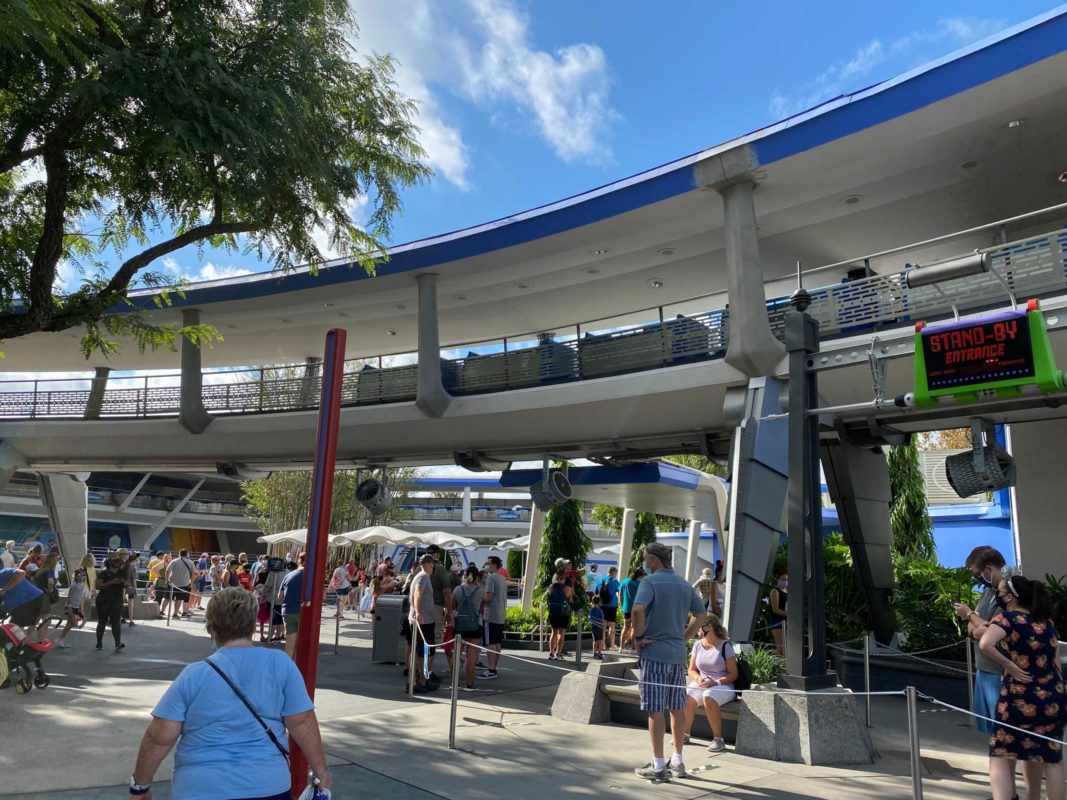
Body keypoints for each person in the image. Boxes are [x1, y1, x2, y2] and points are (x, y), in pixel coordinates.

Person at [128, 587, 332, 800]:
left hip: (199, 787)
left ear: (212, 630)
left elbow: (159, 737)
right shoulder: (280, 664)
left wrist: (140, 786)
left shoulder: (193, 675)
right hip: (266, 784)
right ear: (253, 626)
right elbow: (302, 722)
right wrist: (322, 774)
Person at [979, 574, 1066, 800]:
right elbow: (1055, 663)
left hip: (1019, 696)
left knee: (1000, 753)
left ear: (1010, 597)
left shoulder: (1006, 619)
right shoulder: (1047, 623)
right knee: (1052, 758)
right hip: (1053, 697)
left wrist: (1010, 665)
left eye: (1000, 592)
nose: (998, 595)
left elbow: (985, 644)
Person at [631, 541, 706, 781]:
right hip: (677, 655)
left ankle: (658, 765)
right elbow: (702, 614)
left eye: (645, 558)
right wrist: (684, 636)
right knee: (676, 708)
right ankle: (678, 761)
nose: (644, 563)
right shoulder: (684, 584)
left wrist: (639, 637)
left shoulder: (650, 582)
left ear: (653, 559)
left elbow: (637, 610)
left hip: (654, 653)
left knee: (655, 710)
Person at [683, 614, 738, 753]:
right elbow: (691, 670)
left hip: (723, 685)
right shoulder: (697, 645)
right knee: (687, 696)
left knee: (708, 695)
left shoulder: (726, 645)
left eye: (699, 626)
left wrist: (715, 682)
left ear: (709, 627)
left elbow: (733, 674)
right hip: (703, 683)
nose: (696, 629)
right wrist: (698, 679)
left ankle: (718, 740)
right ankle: (684, 734)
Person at [450, 564, 486, 692]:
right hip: (475, 625)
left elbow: (452, 607)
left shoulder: (458, 589)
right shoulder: (480, 591)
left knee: (456, 653)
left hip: (460, 624)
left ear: (465, 576)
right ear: (477, 577)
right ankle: (469, 684)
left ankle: (454, 683)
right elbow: (484, 603)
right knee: (472, 655)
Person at [406, 554, 438, 694]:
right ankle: (419, 682)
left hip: (422, 619)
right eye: (433, 563)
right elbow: (418, 593)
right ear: (430, 564)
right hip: (423, 621)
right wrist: (419, 612)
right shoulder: (424, 576)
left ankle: (420, 681)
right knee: (424, 653)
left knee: (420, 652)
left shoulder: (420, 576)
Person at [479, 555, 507, 680]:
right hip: (500, 614)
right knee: (496, 643)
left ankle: (491, 670)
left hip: (490, 615)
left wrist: (479, 597)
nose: (486, 566)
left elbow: (488, 597)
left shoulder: (491, 578)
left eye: (488, 563)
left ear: (494, 565)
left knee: (490, 643)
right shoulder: (502, 578)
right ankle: (493, 668)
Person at [426, 545, 453, 676]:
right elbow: (447, 592)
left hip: (419, 608)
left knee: (419, 641)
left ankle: (415, 670)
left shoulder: (418, 568)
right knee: (433, 642)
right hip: (435, 608)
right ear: (438, 554)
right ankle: (427, 673)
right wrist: (449, 610)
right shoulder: (440, 569)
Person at [0, 565, 45, 637]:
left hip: (30, 599)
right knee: (14, 628)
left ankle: (24, 643)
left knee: (15, 628)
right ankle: (25, 641)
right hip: (19, 603)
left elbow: (21, 573)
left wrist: (5, 589)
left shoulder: (3, 572)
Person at [96, 552, 128, 650]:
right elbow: (97, 586)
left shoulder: (121, 573)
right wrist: (111, 582)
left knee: (116, 622)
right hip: (104, 600)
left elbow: (127, 584)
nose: (118, 562)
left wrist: (124, 583)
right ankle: (99, 643)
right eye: (115, 561)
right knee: (102, 621)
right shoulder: (104, 573)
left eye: (118, 560)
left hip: (117, 600)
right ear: (110, 562)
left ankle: (118, 643)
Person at [280, 554, 305, 659]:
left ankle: (286, 666)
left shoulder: (288, 575)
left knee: (290, 643)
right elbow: (323, 596)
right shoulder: (311, 577)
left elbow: (280, 596)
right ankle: (297, 667)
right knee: (302, 644)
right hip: (304, 612)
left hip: (288, 611)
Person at [546, 565, 573, 661]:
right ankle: (558, 653)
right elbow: (569, 598)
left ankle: (551, 652)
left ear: (556, 577)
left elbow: (549, 596)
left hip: (553, 613)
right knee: (561, 633)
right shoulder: (567, 588)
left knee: (553, 632)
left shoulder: (551, 587)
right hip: (563, 613)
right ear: (565, 577)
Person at [56, 567, 89, 647]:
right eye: (80, 575)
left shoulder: (82, 585)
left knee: (69, 625)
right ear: (76, 576)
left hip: (75, 606)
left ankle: (61, 640)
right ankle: (61, 640)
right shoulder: (74, 585)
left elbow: (79, 597)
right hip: (71, 606)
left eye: (83, 575)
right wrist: (69, 606)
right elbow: (69, 596)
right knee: (73, 623)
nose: (82, 576)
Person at [595, 566, 621, 649]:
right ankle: (612, 645)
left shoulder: (600, 580)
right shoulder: (614, 581)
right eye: (616, 573)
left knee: (603, 625)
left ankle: (603, 644)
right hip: (612, 605)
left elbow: (596, 592)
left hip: (602, 605)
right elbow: (620, 590)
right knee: (612, 625)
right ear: (613, 572)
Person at [619, 567, 645, 652]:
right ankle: (632, 648)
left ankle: (621, 647)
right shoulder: (639, 583)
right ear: (639, 576)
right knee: (634, 628)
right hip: (636, 608)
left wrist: (622, 605)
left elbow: (620, 594)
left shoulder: (624, 581)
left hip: (626, 608)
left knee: (625, 628)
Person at [166, 550, 197, 619]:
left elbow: (167, 570)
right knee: (179, 599)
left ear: (179, 554)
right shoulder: (190, 562)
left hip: (172, 583)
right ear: (187, 554)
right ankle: (175, 613)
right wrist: (191, 583)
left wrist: (167, 579)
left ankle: (162, 611)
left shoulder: (174, 561)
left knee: (168, 598)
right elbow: (194, 573)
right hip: (184, 583)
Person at [769, 568, 788, 657]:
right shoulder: (775, 591)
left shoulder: (788, 591)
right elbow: (775, 609)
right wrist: (789, 614)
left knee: (787, 648)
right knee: (781, 649)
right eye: (783, 579)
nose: (785, 581)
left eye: (787, 579)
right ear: (778, 580)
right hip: (778, 622)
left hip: (787, 622)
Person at [125, 552, 140, 626]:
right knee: (131, 604)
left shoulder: (125, 566)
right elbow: (134, 581)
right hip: (131, 588)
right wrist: (136, 590)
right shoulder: (133, 568)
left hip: (123, 586)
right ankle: (131, 620)